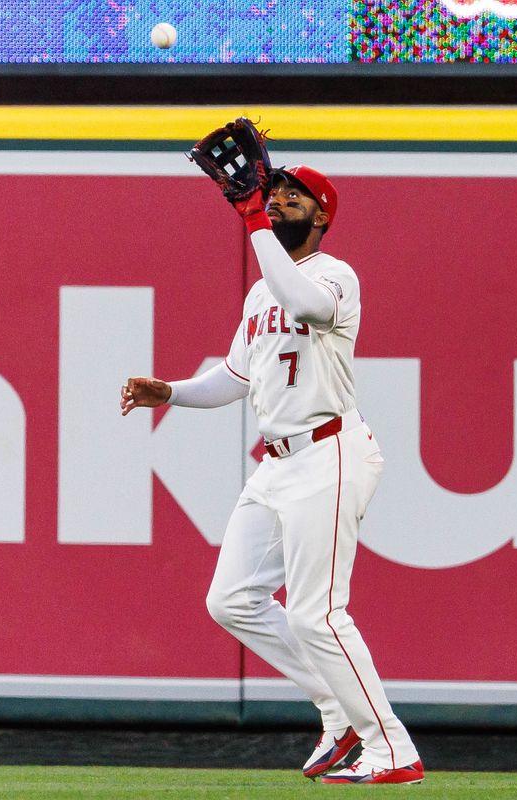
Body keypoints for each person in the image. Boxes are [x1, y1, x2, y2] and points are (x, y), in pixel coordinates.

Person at [120, 165, 423, 785]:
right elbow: (235, 379)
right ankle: (338, 707)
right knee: (230, 599)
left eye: (295, 196)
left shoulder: (335, 275)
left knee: (319, 614)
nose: (280, 200)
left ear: (321, 216)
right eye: (275, 192)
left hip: (329, 450)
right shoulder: (260, 294)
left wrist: (254, 218)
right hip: (278, 463)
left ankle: (392, 748)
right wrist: (171, 392)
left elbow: (304, 302)